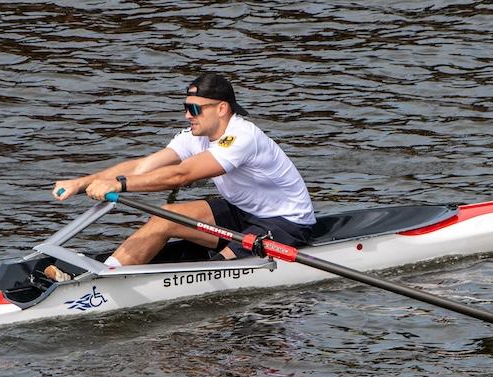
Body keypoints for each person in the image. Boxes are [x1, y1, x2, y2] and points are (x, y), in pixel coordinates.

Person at [47, 73, 315, 280]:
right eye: (186, 107)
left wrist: (119, 185)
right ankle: (108, 274)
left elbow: (180, 175)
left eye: (195, 109)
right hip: (242, 211)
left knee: (215, 270)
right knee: (165, 217)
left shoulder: (241, 137)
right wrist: (81, 183)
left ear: (221, 109)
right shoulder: (195, 136)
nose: (187, 115)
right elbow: (143, 166)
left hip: (286, 223)